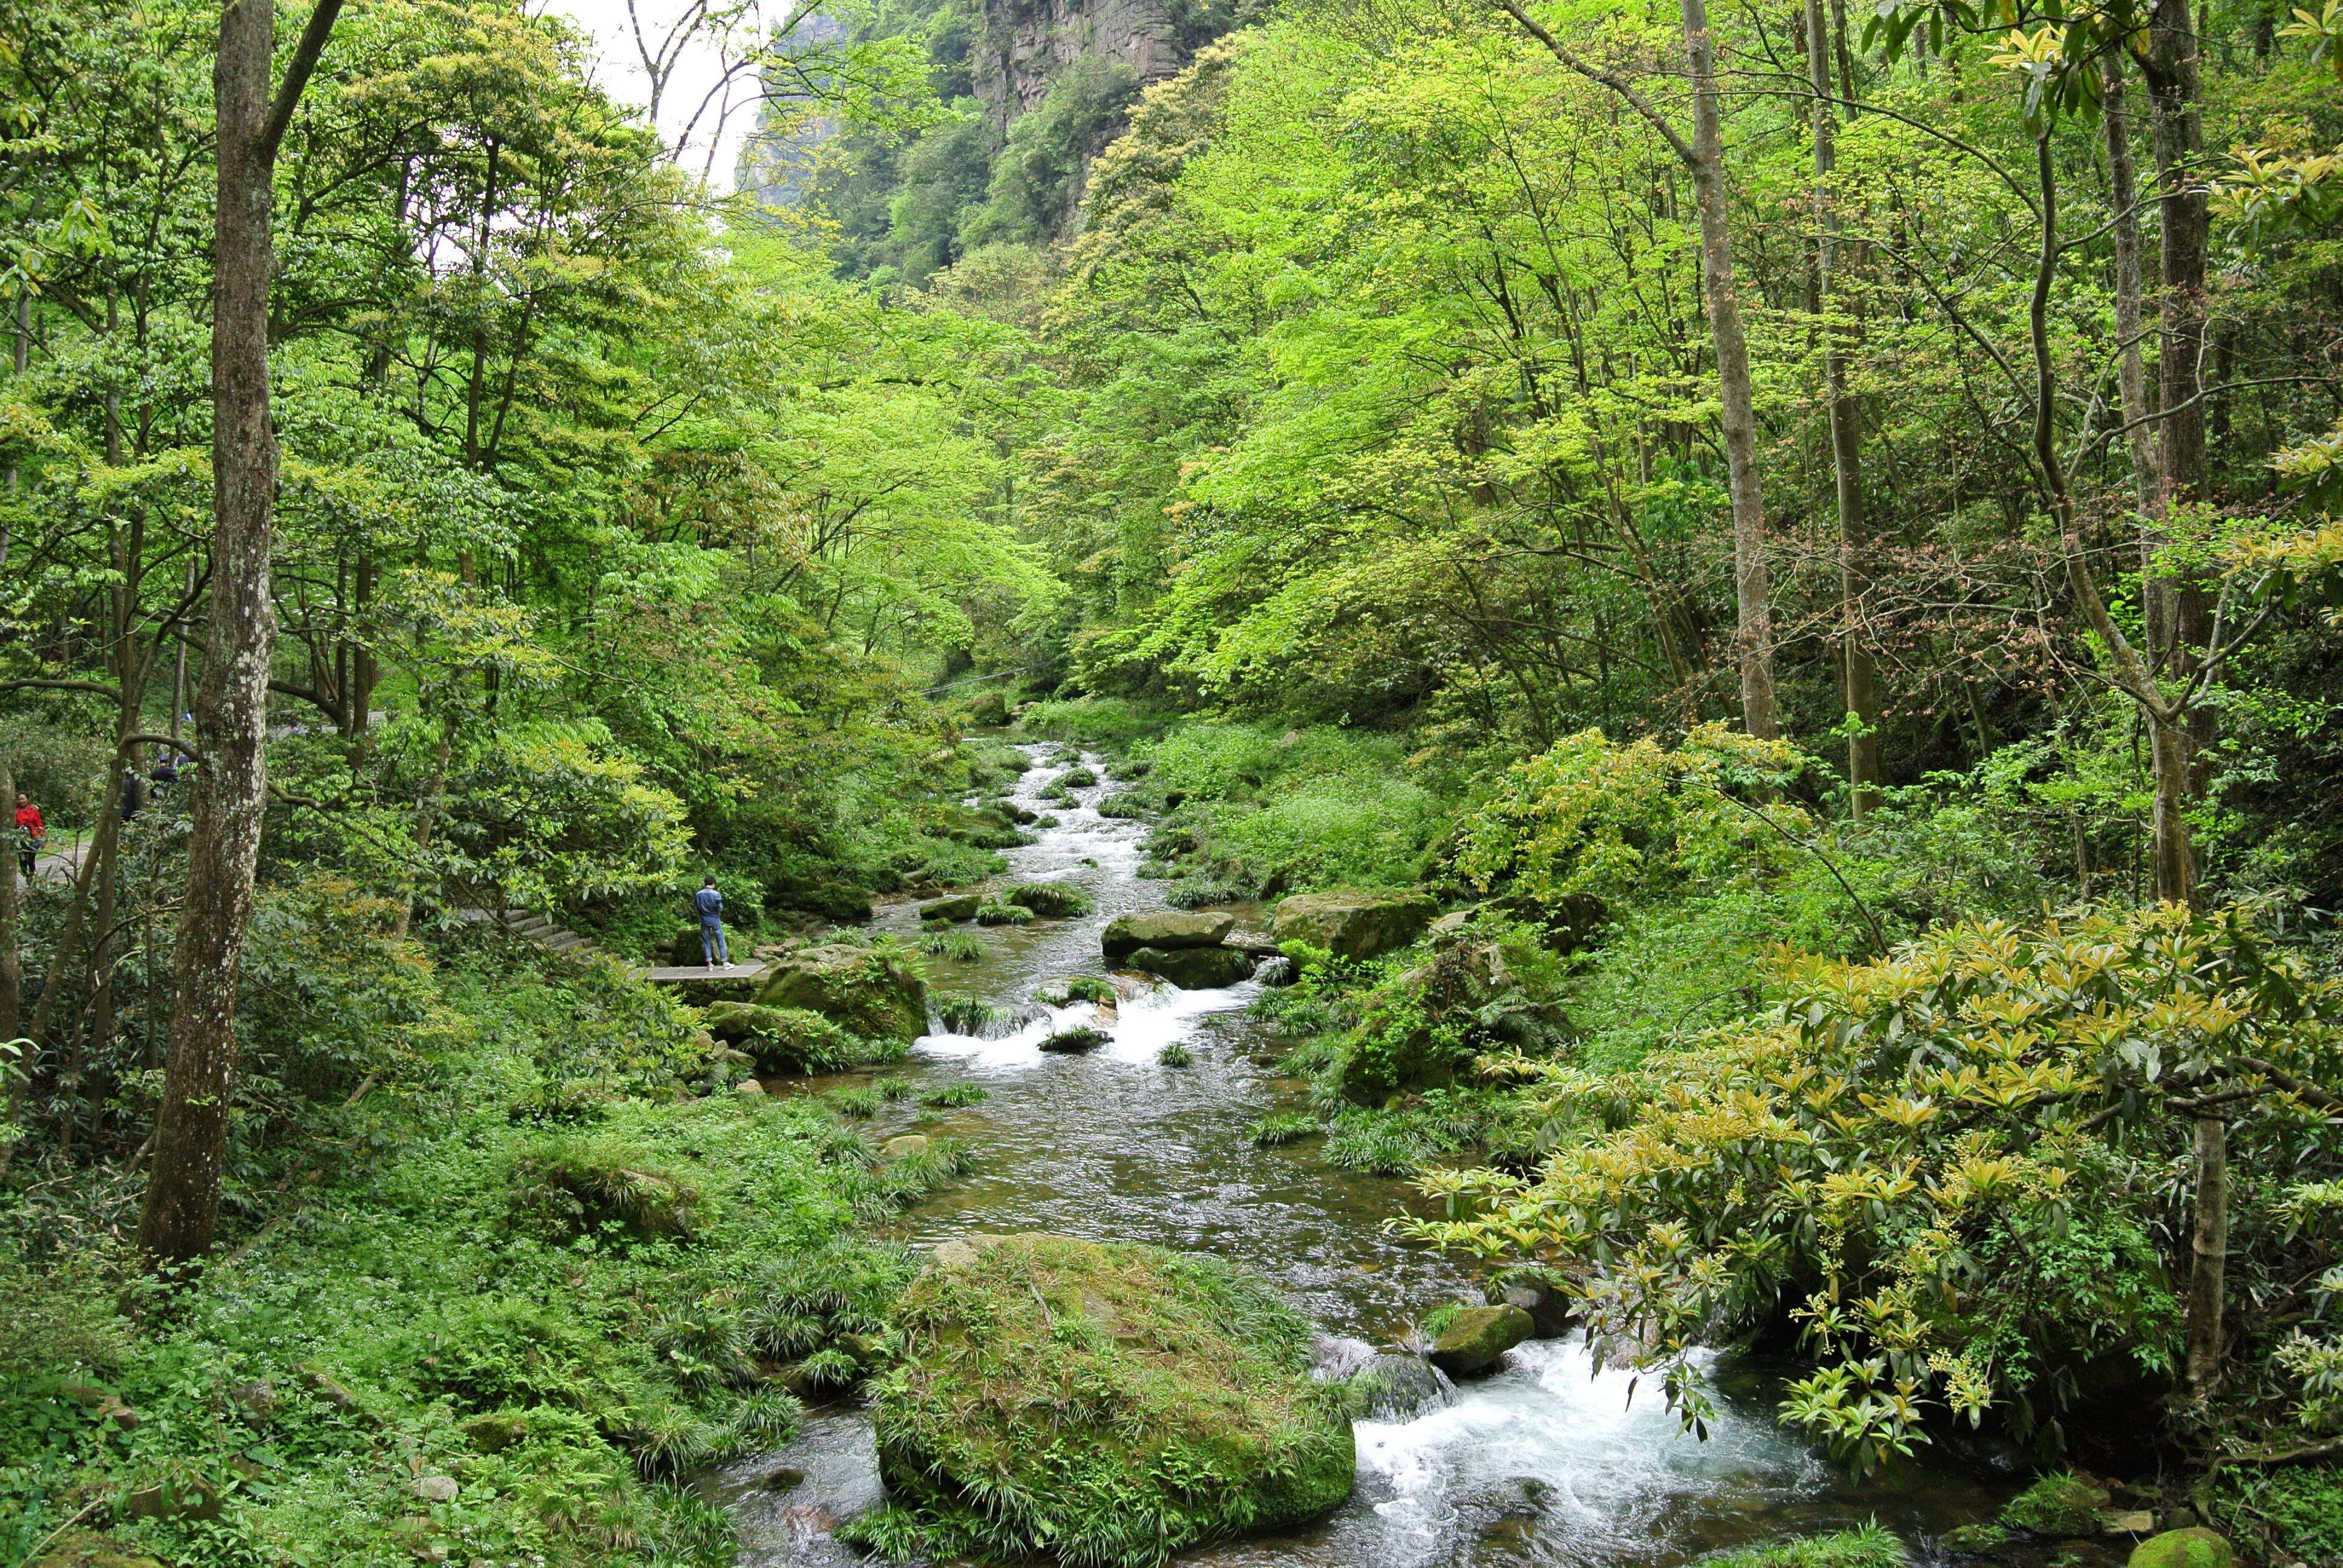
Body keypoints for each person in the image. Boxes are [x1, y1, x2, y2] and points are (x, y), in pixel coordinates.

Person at [693, 875, 729, 967]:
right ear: (713, 884)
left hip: (704, 920)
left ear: (705, 883)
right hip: (715, 920)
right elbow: (720, 908)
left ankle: (709, 963)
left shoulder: (698, 894)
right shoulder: (716, 894)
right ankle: (725, 962)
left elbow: (696, 909)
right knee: (720, 940)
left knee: (706, 941)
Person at [15, 793, 44, 881]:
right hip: (21, 838)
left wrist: (42, 836)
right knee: (22, 861)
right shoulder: (16, 811)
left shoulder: (33, 810)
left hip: (34, 837)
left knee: (31, 859)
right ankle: (27, 877)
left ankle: (32, 877)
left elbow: (39, 823)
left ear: (28, 800)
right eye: (19, 799)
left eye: (23, 799)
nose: (21, 801)